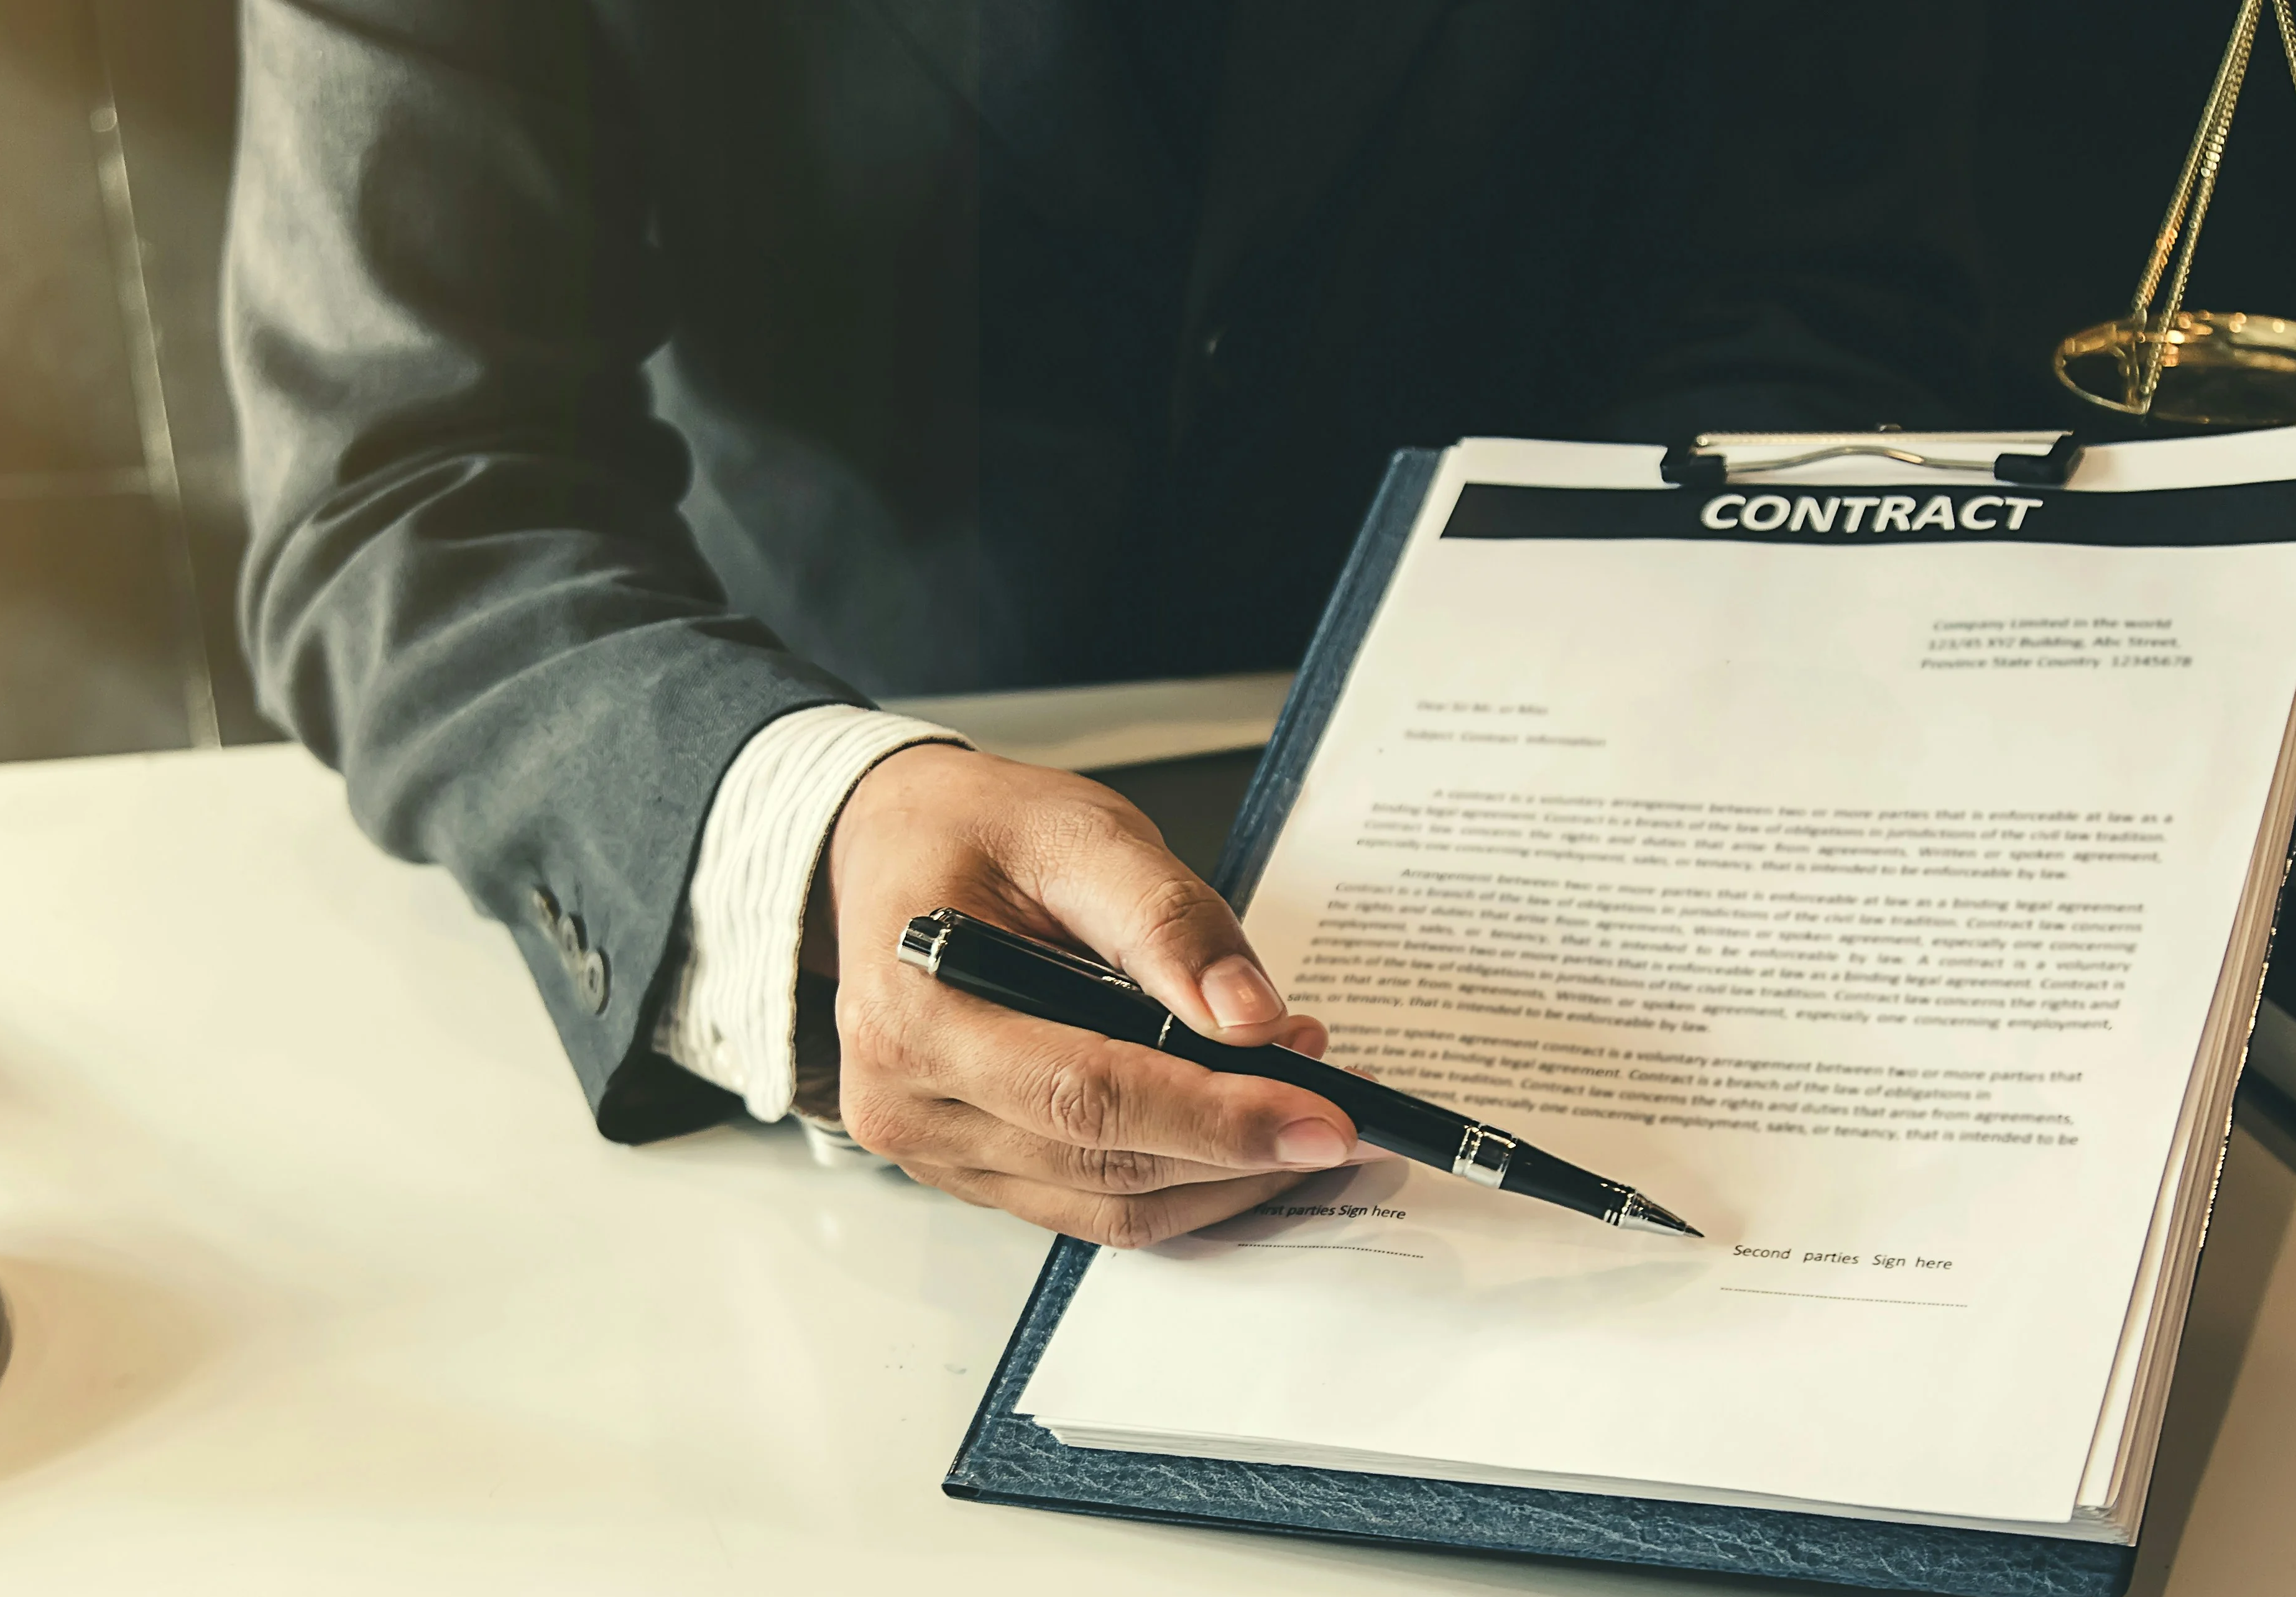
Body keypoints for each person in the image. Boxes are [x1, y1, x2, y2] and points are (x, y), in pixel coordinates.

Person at [224, 1, 1983, 1248]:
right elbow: (406, 485)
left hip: (1586, 890)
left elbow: (1787, 310)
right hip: (833, 831)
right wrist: (799, 836)